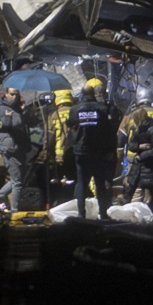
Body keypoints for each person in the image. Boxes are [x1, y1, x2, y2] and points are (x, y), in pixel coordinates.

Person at [65, 78, 118, 220]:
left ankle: (81, 213)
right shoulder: (101, 109)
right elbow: (108, 131)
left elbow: (71, 126)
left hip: (81, 152)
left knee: (82, 182)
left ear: (82, 94)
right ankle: (103, 213)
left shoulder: (75, 110)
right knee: (100, 183)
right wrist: (110, 151)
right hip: (99, 152)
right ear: (94, 93)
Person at [120, 87, 153, 218]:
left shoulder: (130, 115)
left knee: (134, 190)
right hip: (152, 158)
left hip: (134, 159)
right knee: (151, 192)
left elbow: (121, 138)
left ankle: (134, 218)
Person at [0, 86, 30, 218]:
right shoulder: (3, 108)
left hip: (14, 146)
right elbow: (14, 125)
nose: (14, 97)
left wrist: (21, 111)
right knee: (17, 181)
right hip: (10, 147)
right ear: (5, 94)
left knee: (16, 180)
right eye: (12, 94)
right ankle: (15, 211)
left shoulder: (13, 108)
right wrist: (19, 115)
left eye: (16, 94)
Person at [47, 88, 77, 203]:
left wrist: (49, 153)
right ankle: (72, 200)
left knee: (57, 179)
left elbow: (50, 138)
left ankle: (59, 201)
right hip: (72, 153)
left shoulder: (53, 115)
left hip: (58, 155)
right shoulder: (75, 112)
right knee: (73, 178)